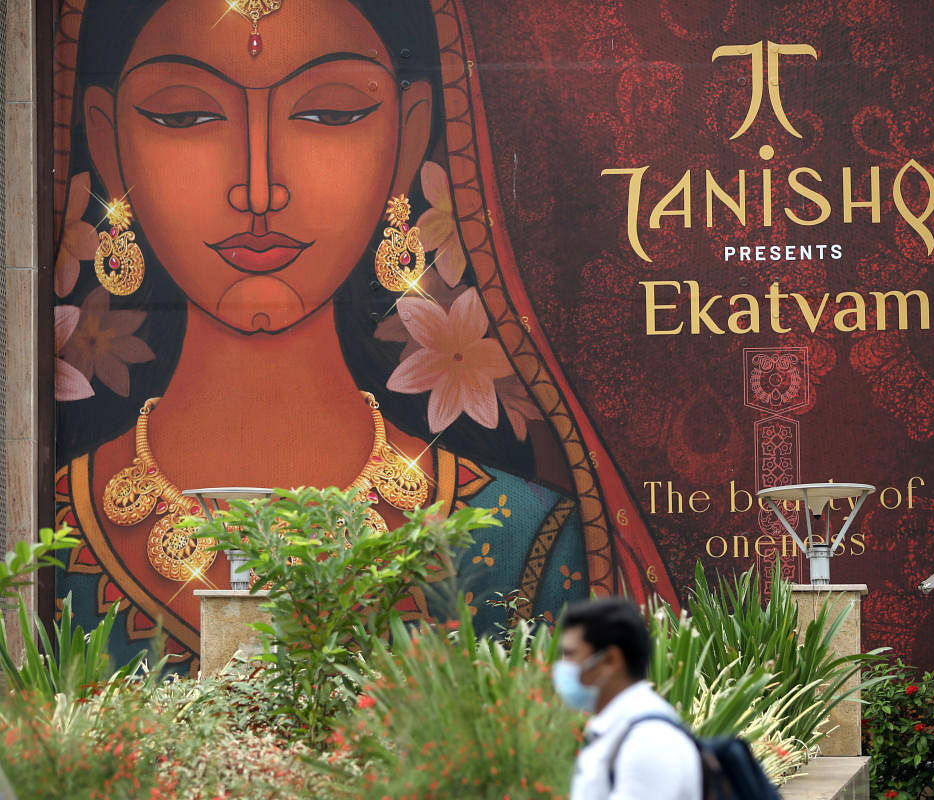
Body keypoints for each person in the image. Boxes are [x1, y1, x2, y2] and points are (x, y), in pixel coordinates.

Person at [50, 0, 677, 673]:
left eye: (331, 113)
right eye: (184, 115)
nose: (259, 188)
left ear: (408, 139)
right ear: (109, 144)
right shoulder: (48, 538)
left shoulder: (522, 539)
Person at [555, 598, 701, 800]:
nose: (563, 666)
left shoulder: (649, 741)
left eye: (570, 654)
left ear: (610, 660)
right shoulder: (618, 730)